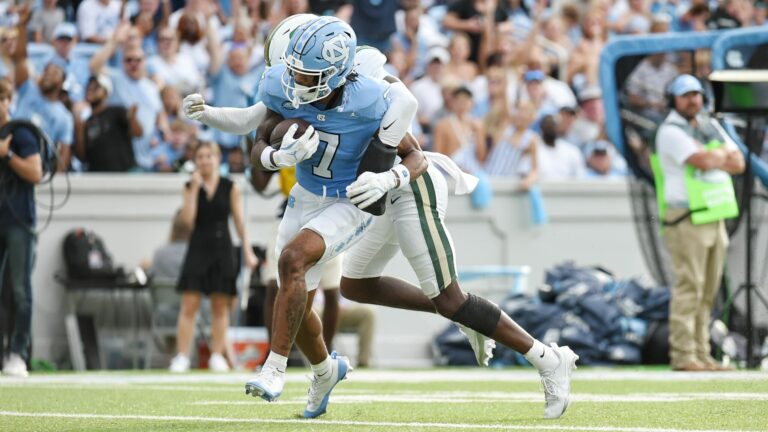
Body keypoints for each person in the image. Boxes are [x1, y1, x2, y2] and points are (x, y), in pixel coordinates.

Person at [653, 74, 745, 372]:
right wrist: (717, 155)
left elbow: (739, 162)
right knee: (689, 286)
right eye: (685, 95)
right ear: (674, 100)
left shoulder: (708, 125)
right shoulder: (670, 130)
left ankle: (703, 353)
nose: (693, 100)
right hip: (686, 217)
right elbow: (703, 162)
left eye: (696, 94)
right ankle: (683, 354)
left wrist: (711, 155)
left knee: (708, 289)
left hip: (712, 214)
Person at [169, 142, 258, 373]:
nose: (205, 160)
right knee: (189, 304)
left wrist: (247, 250)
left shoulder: (230, 186)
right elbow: (187, 222)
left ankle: (217, 355)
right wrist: (193, 191)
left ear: (218, 159)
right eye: (200, 156)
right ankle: (181, 356)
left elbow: (238, 221)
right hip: (198, 246)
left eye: (209, 156)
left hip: (222, 247)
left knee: (220, 306)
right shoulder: (190, 186)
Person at [0, 78, 44, 377]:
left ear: (8, 101)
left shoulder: (21, 133)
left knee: (20, 289)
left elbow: (36, 172)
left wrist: (7, 155)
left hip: (19, 221)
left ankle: (18, 352)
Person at [12, 7, 74, 172]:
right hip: (10, 156)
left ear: (62, 82)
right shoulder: (28, 88)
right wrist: (22, 26)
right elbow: (20, 59)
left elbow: (64, 154)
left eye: (54, 73)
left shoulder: (64, 116)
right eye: (46, 71)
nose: (47, 75)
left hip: (36, 167)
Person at [74, 74, 143, 172]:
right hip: (97, 178)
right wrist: (79, 131)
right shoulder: (85, 123)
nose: (90, 90)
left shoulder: (117, 111)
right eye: (89, 87)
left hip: (124, 174)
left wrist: (132, 119)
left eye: (96, 87)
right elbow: (81, 157)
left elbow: (138, 133)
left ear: (106, 93)